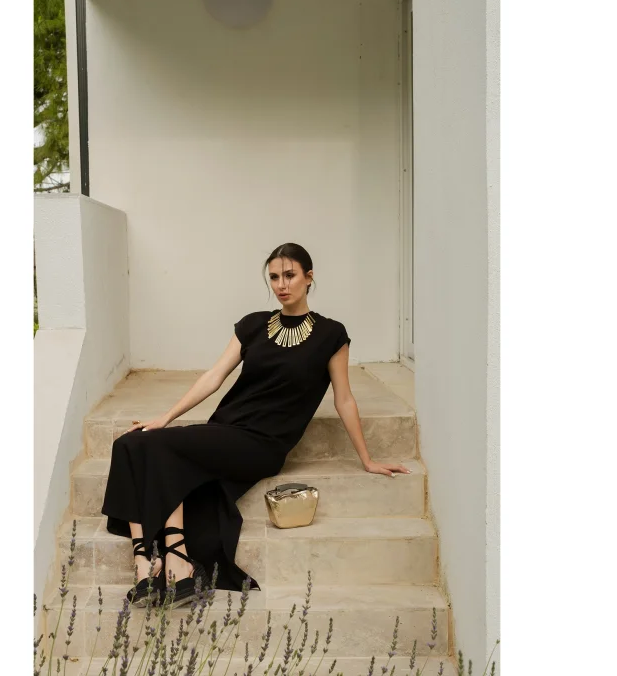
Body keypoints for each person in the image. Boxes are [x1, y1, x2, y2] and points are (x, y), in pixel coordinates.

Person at [101, 243, 411, 608]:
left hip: (263, 444)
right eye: (274, 277)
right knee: (129, 443)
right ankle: (144, 567)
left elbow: (344, 398)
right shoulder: (253, 325)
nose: (282, 285)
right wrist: (166, 417)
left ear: (309, 278)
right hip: (226, 428)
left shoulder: (331, 335)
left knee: (161, 448)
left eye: (290, 275)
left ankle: (178, 561)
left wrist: (367, 459)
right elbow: (215, 376)